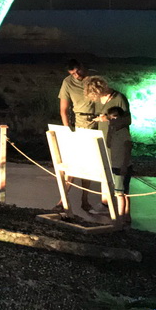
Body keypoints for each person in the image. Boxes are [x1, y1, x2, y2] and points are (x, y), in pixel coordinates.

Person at [84, 76, 133, 222]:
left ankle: (125, 214)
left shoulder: (119, 99)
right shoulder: (99, 101)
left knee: (121, 183)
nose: (96, 98)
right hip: (105, 140)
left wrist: (107, 119)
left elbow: (127, 120)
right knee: (105, 174)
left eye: (96, 94)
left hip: (118, 143)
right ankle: (105, 204)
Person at [57, 59, 99, 212]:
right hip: (80, 122)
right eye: (72, 73)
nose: (76, 76)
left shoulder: (93, 78)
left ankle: (86, 199)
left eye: (77, 72)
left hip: (97, 121)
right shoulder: (68, 82)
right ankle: (63, 199)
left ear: (82, 66)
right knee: (74, 163)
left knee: (90, 165)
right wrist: (67, 129)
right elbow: (64, 109)